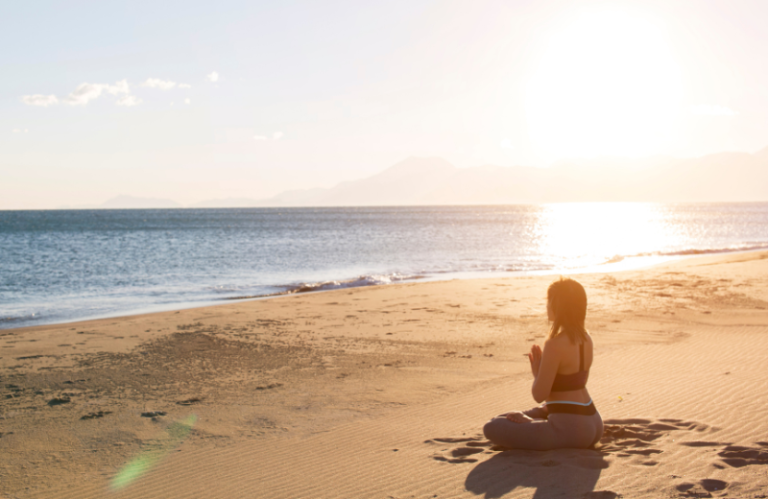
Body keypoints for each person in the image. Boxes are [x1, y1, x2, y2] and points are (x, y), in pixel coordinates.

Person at [483, 277, 603, 450]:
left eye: (549, 301)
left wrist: (537, 375)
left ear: (559, 306)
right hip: (594, 422)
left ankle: (533, 420)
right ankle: (539, 415)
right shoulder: (586, 338)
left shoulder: (555, 345)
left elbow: (539, 394)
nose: (546, 306)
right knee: (509, 416)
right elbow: (573, 384)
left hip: (570, 430)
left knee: (492, 426)